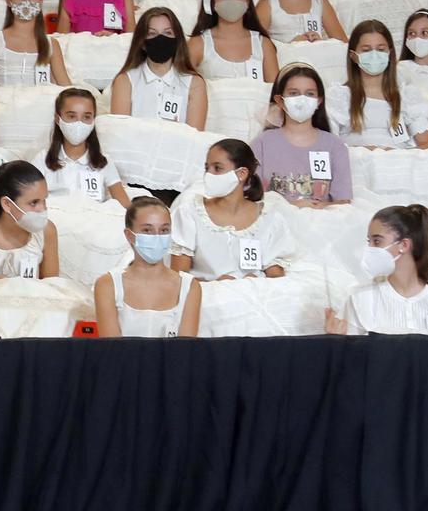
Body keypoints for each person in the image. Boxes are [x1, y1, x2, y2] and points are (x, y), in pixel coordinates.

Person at [328, 206, 428, 335]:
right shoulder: (361, 299)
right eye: (369, 242)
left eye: (377, 241)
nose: (370, 249)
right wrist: (336, 342)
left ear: (404, 245)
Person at [172, 139, 291, 281]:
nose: (208, 175)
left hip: (253, 296)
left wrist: (254, 282)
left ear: (241, 173)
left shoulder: (269, 218)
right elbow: (178, 276)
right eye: (207, 168)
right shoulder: (189, 213)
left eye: (217, 168)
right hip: (206, 296)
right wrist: (218, 284)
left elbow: (276, 276)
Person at [94, 198, 199, 337]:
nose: (157, 236)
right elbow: (111, 349)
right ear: (130, 236)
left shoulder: (189, 286)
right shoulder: (107, 285)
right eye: (147, 230)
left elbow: (187, 349)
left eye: (164, 230)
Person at [252, 66, 352, 205]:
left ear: (319, 101)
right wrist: (294, 207)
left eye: (310, 94)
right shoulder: (262, 143)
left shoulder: (335, 146)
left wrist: (318, 207)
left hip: (321, 222)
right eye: (293, 93)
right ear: (280, 100)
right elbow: (251, 199)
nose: (302, 100)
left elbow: (343, 202)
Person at [109, 7, 208, 131]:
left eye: (168, 33)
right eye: (152, 33)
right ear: (142, 43)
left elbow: (195, 136)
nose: (160, 39)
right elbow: (120, 132)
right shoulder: (125, 80)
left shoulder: (195, 83)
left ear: (177, 40)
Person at [337, 20, 428, 150]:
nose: (374, 55)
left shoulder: (406, 95)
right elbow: (328, 142)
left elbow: (425, 142)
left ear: (389, 53)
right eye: (366, 50)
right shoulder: (340, 96)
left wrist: (393, 155)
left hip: (398, 162)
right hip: (357, 163)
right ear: (353, 56)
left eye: (381, 49)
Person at [41, 87, 129, 206]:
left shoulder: (103, 162)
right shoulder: (42, 159)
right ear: (58, 119)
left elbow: (125, 205)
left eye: (86, 117)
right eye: (72, 116)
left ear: (93, 120)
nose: (79, 123)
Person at [189, 0, 277, 82]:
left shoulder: (263, 44)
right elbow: (185, 87)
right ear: (212, 3)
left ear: (248, 1)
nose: (231, 0)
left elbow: (274, 92)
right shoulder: (198, 43)